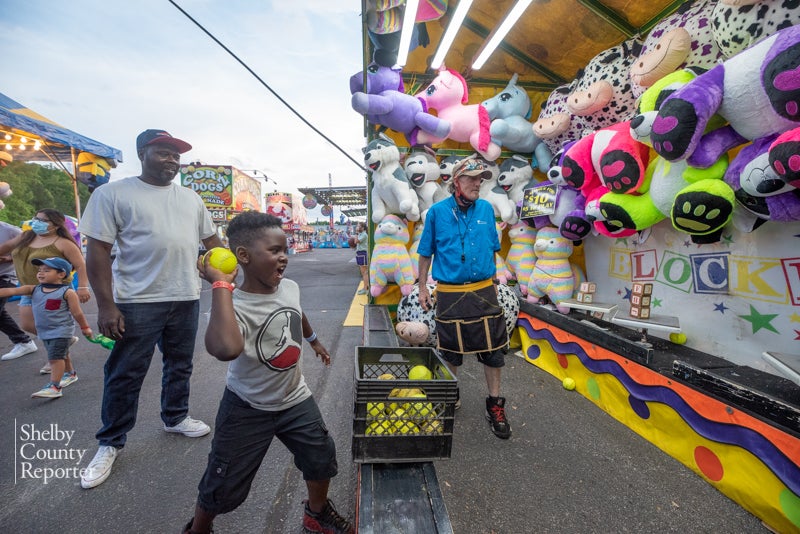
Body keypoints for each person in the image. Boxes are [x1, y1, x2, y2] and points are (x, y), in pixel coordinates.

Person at [183, 211, 352, 534]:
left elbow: (295, 312)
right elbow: (225, 349)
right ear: (242, 256)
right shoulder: (231, 305)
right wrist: (220, 285)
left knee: (320, 457)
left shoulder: (288, 286)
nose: (284, 257)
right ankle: (199, 529)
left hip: (295, 398)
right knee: (222, 483)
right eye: (274, 251)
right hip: (247, 406)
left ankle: (316, 514)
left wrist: (314, 340)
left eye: (285, 249)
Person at [77, 129, 223, 490]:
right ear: (143, 153)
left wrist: (225, 273)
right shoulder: (112, 194)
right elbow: (96, 252)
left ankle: (175, 417)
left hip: (186, 297)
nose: (172, 161)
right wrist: (106, 305)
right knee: (126, 372)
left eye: (176, 156)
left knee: (180, 363)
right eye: (164, 153)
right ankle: (110, 442)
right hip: (136, 301)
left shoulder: (191, 199)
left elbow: (214, 245)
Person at [416, 154, 512, 439]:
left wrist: (494, 282)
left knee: (493, 353)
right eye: (471, 178)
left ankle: (494, 405)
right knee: (450, 353)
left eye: (480, 179)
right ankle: (449, 396)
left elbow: (493, 249)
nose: (477, 184)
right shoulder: (436, 213)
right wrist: (422, 288)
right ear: (456, 181)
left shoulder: (485, 210)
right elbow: (425, 254)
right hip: (450, 293)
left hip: (484, 291)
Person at [0, 209, 90, 368]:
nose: (36, 222)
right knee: (27, 324)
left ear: (55, 226)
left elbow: (81, 265)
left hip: (55, 290)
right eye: (36, 218)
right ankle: (61, 342)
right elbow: (5, 248)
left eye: (42, 220)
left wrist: (83, 287)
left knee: (51, 325)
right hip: (29, 288)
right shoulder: (26, 236)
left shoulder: (63, 243)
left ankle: (57, 356)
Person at [0, 257, 93, 398]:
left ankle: (55, 387)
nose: (40, 273)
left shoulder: (67, 293)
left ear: (61, 274)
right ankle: (70, 374)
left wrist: (85, 327)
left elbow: (77, 312)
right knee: (62, 354)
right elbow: (12, 291)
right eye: (39, 270)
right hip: (44, 331)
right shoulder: (34, 289)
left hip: (61, 331)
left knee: (55, 358)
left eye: (47, 270)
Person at [0, 221, 38, 361]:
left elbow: (31, 251)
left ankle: (57, 339)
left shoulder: (10, 231)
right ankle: (24, 341)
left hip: (5, 277)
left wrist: (8, 259)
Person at [355, 221, 370, 295]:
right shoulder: (361, 234)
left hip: (363, 253)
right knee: (363, 272)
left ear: (362, 228)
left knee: (364, 272)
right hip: (360, 253)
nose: (357, 227)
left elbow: (356, 241)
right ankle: (365, 287)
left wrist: (356, 233)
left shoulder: (364, 235)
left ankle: (366, 288)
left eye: (358, 226)